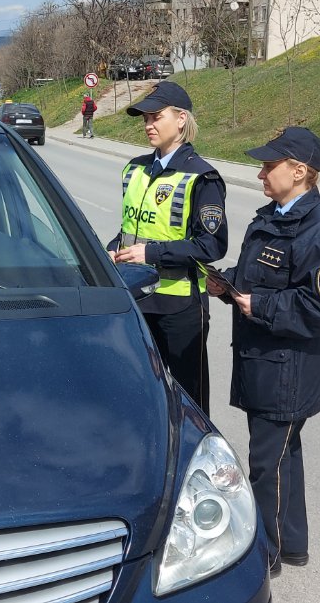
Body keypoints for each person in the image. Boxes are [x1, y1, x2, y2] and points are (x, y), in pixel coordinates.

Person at [205, 126, 320, 578]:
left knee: (266, 465)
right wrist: (227, 285)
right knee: (284, 458)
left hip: (286, 369)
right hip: (262, 360)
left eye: (270, 165)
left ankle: (263, 553)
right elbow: (256, 276)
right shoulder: (272, 216)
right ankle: (291, 544)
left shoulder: (318, 232)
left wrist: (259, 304)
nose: (261, 172)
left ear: (300, 171)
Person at [109, 80, 227, 414]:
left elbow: (211, 244)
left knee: (190, 402)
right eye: (145, 119)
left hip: (180, 308)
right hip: (137, 301)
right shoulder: (135, 168)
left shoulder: (201, 177)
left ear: (180, 119)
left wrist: (151, 254)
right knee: (145, 396)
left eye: (156, 117)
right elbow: (130, 228)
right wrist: (110, 249)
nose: (148, 125)